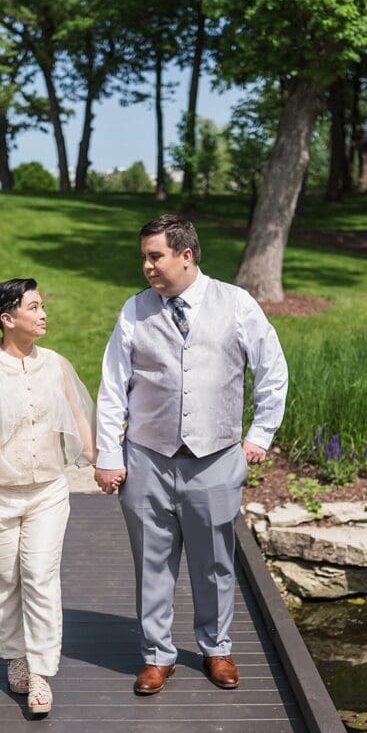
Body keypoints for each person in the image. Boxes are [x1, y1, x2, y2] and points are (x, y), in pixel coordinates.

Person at [94, 215, 288, 695]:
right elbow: (112, 387)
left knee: (216, 562)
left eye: (155, 256)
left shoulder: (237, 304)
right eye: (144, 256)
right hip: (146, 457)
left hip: (216, 456)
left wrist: (259, 435)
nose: (146, 266)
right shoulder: (134, 311)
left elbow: (272, 370)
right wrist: (108, 453)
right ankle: (157, 656)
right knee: (151, 562)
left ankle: (216, 649)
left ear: (186, 255)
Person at [0, 278, 95, 715]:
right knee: (3, 581)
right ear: (7, 318)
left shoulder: (55, 364)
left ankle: (40, 674)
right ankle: (14, 654)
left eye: (43, 305)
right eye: (34, 307)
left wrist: (103, 464)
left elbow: (78, 420)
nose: (43, 313)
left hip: (48, 492)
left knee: (38, 575)